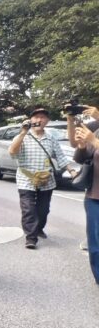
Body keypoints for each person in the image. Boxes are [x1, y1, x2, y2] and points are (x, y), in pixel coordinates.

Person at [8, 108, 76, 249]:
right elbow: (12, 152)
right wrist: (23, 132)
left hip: (46, 180)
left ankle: (39, 228)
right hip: (26, 179)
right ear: (30, 120)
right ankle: (31, 237)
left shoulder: (51, 139)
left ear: (47, 121)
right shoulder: (22, 136)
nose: (39, 120)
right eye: (36, 117)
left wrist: (72, 171)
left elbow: (61, 157)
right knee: (28, 209)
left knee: (43, 210)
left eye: (43, 117)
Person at [73, 121, 99, 283]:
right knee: (95, 241)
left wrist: (94, 141)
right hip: (94, 195)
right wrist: (82, 145)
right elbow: (80, 159)